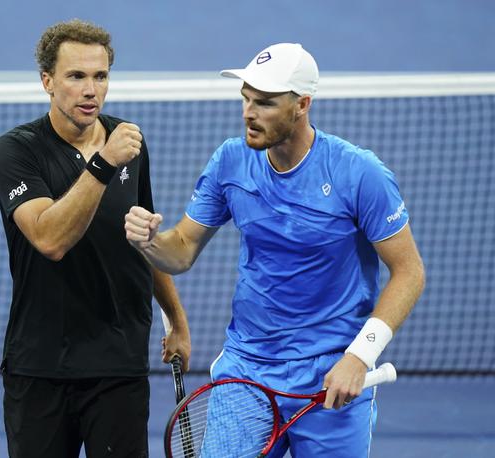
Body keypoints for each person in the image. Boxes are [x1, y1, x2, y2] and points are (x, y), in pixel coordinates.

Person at [125, 42, 425, 457]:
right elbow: (180, 251)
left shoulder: (358, 174)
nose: (248, 112)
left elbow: (409, 271)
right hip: (247, 370)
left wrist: (360, 356)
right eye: (246, 99)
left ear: (301, 104)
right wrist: (149, 242)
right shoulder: (231, 161)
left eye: (264, 103)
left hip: (332, 373)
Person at [0, 19, 191, 458]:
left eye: (100, 76)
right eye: (76, 76)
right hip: (41, 366)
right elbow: (49, 239)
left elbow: (143, 239)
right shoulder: (15, 152)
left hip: (118, 366)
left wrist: (176, 318)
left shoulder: (128, 143)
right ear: (47, 81)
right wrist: (102, 163)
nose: (90, 90)